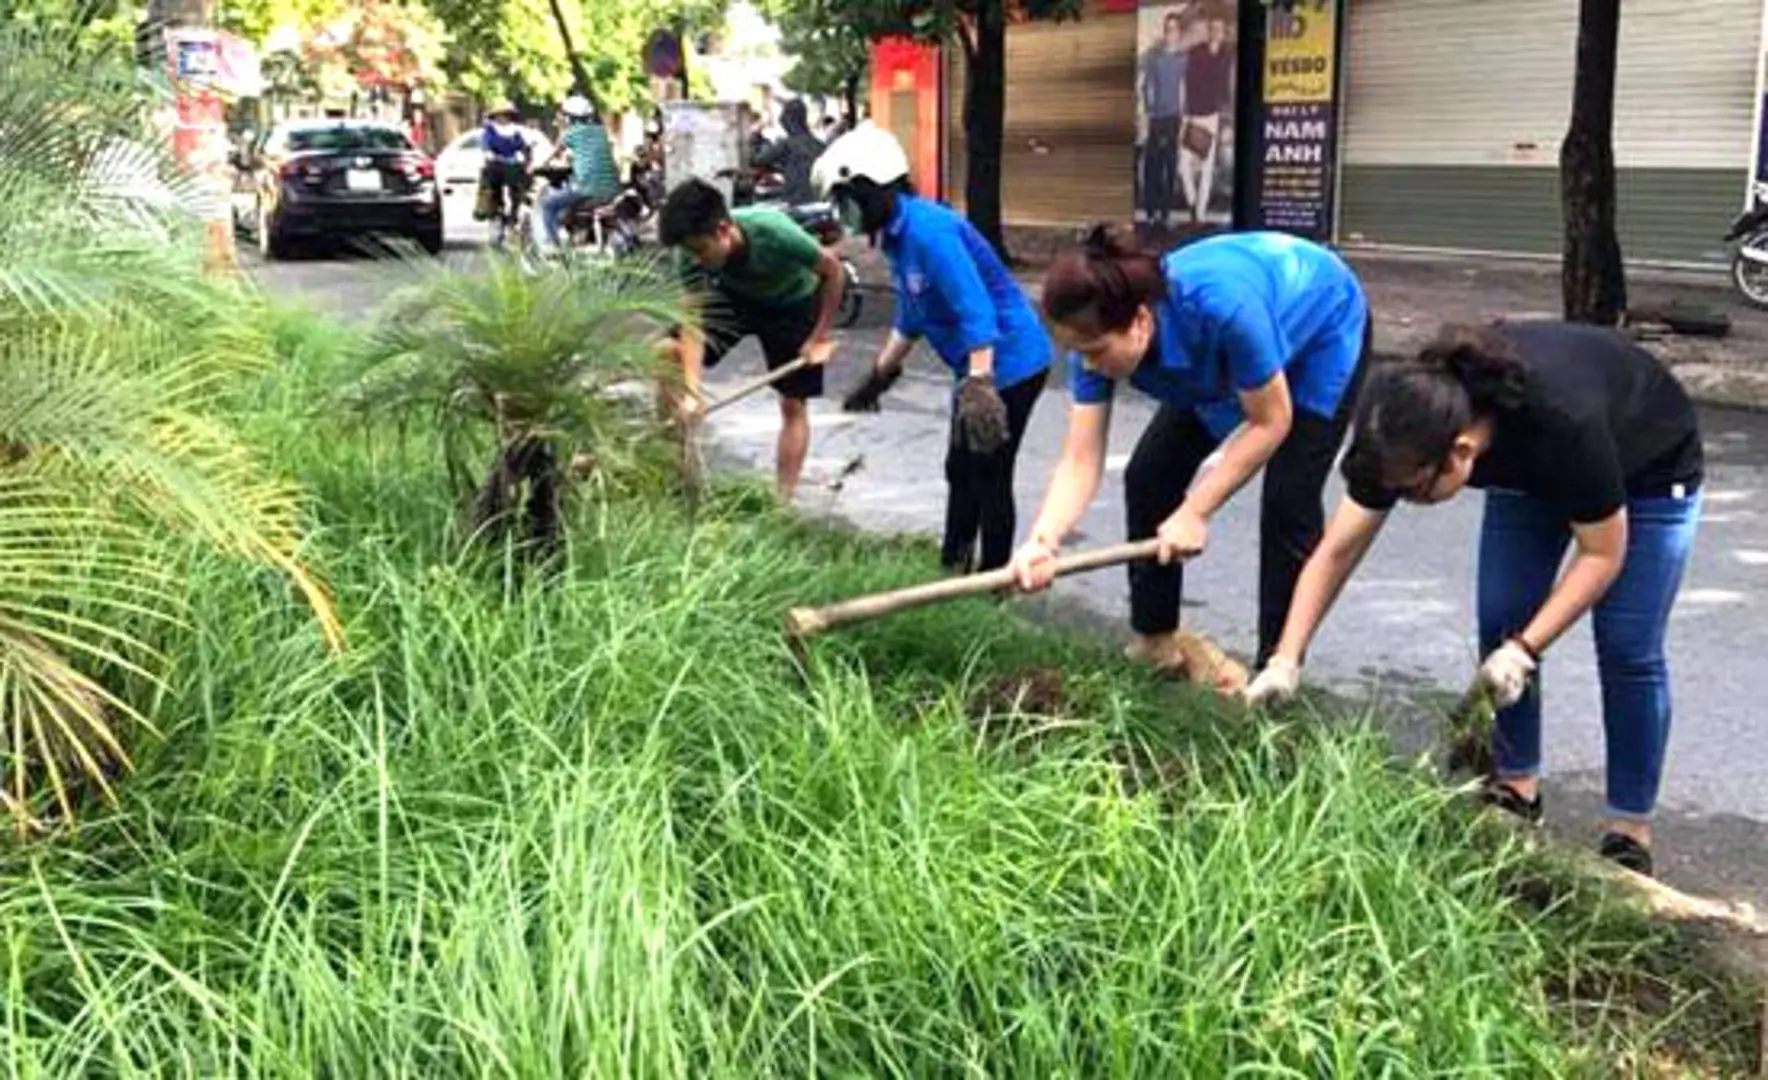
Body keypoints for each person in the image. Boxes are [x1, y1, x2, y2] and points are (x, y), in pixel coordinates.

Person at [1244, 323, 1704, 878]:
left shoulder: (1563, 422)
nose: (1406, 502)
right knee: (1502, 616)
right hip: (1529, 473)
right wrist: (1285, 658)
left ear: (1460, 454)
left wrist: (1527, 649)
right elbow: (1337, 550)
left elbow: (1602, 556)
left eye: (1415, 491)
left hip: (1647, 464)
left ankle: (1629, 827)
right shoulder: (1408, 425)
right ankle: (1515, 790)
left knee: (1627, 646)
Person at [1008, 227, 1370, 679]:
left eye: (1098, 352)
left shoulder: (1223, 309)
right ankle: (1156, 642)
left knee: (1288, 498)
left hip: (1322, 327)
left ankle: (1275, 670)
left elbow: (1270, 422)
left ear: (1140, 321)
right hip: (1223, 354)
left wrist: (1196, 511)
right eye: (1080, 354)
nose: (1091, 365)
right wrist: (1043, 541)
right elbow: (1081, 459)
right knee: (1150, 476)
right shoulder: (1093, 348)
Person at [815, 125, 1053, 574]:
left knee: (988, 471)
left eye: (846, 200)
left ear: (872, 189)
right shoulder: (896, 237)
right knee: (959, 469)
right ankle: (952, 567)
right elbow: (912, 313)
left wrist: (981, 384)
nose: (844, 214)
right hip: (978, 365)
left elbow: (975, 308)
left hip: (1012, 361)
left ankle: (992, 582)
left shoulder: (930, 232)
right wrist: (879, 375)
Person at [657, 177, 847, 502]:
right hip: (737, 298)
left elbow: (833, 272)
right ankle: (677, 475)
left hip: (793, 302)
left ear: (723, 229)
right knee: (666, 351)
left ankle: (781, 504)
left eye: (701, 250)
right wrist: (691, 391)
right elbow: (693, 322)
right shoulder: (690, 254)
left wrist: (819, 337)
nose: (697, 259)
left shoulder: (773, 231)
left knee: (792, 403)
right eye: (691, 252)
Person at [538, 94, 620, 251]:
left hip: (587, 189)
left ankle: (554, 248)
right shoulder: (601, 131)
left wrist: (539, 166)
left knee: (548, 205)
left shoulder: (570, 133)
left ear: (568, 117)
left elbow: (552, 155)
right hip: (612, 190)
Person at [1178, 15, 1233, 224]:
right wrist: (1185, 114)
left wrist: (1225, 113)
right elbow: (1187, 80)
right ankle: (1192, 203)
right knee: (1184, 165)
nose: (1216, 32)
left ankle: (1199, 214)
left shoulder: (1227, 55)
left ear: (1223, 32)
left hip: (1213, 115)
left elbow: (1227, 84)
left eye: (1219, 29)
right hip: (1193, 114)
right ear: (1209, 30)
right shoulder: (1197, 52)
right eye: (1213, 28)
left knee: (1207, 167)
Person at [1140, 10, 1190, 228]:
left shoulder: (1184, 59)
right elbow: (1146, 86)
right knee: (1153, 166)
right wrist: (1146, 117)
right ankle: (1151, 212)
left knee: (1170, 166)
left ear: (1179, 33)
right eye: (1167, 30)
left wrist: (1184, 120)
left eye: (1174, 30)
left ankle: (1165, 214)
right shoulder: (1155, 58)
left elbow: (1184, 89)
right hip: (1155, 117)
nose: (1170, 34)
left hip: (1174, 118)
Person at [753, 98, 826, 207]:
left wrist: (755, 135)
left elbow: (758, 159)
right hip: (818, 201)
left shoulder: (786, 144)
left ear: (788, 120)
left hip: (795, 201)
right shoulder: (820, 145)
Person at [477, 101, 531, 229]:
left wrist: (525, 156)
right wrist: (489, 154)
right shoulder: (490, 131)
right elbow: (486, 145)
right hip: (495, 164)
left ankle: (514, 214)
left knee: (517, 189)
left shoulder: (515, 131)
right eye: (499, 115)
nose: (503, 118)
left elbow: (522, 146)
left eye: (506, 115)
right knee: (492, 186)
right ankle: (497, 211)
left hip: (512, 165)